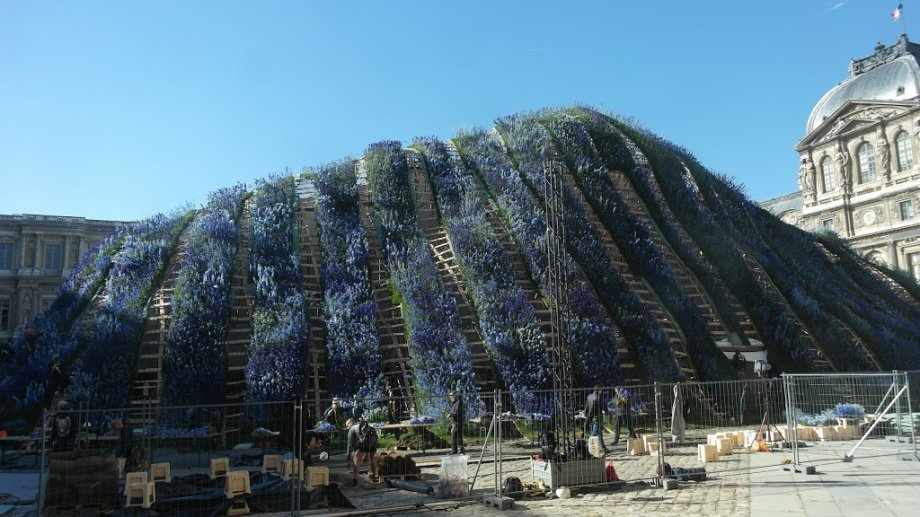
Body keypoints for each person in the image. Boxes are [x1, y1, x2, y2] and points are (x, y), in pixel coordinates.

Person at [345, 418, 379, 487]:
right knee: (372, 458)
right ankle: (375, 477)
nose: (347, 427)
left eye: (347, 425)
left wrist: (348, 458)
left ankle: (355, 481)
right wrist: (366, 454)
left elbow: (349, 445)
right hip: (374, 437)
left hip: (365, 440)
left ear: (351, 423)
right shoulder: (363, 425)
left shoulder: (352, 428)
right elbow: (368, 438)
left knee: (356, 459)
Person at [583, 386, 608, 455]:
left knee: (599, 433)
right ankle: (585, 447)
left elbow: (586, 407)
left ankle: (604, 448)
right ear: (599, 390)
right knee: (594, 434)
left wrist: (587, 416)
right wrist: (607, 412)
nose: (601, 392)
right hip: (598, 418)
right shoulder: (599, 398)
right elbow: (604, 407)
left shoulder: (589, 396)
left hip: (591, 417)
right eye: (601, 390)